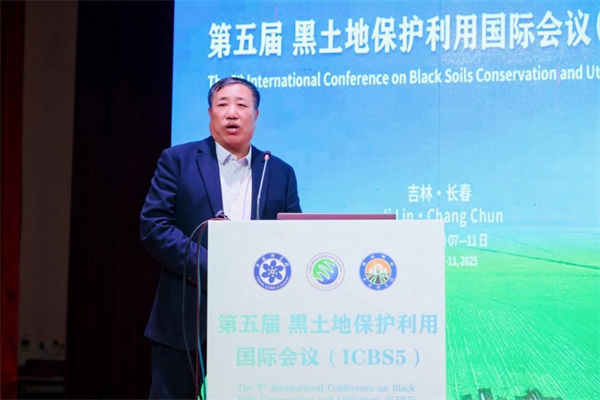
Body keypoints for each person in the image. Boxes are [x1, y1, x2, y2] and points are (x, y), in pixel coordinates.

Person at [140, 77, 301, 399]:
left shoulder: (279, 172)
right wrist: (213, 266)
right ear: (210, 113)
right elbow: (154, 226)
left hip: (256, 321)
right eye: (223, 104)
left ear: (256, 115)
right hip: (185, 318)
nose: (232, 113)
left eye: (242, 105)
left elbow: (293, 239)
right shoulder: (178, 161)